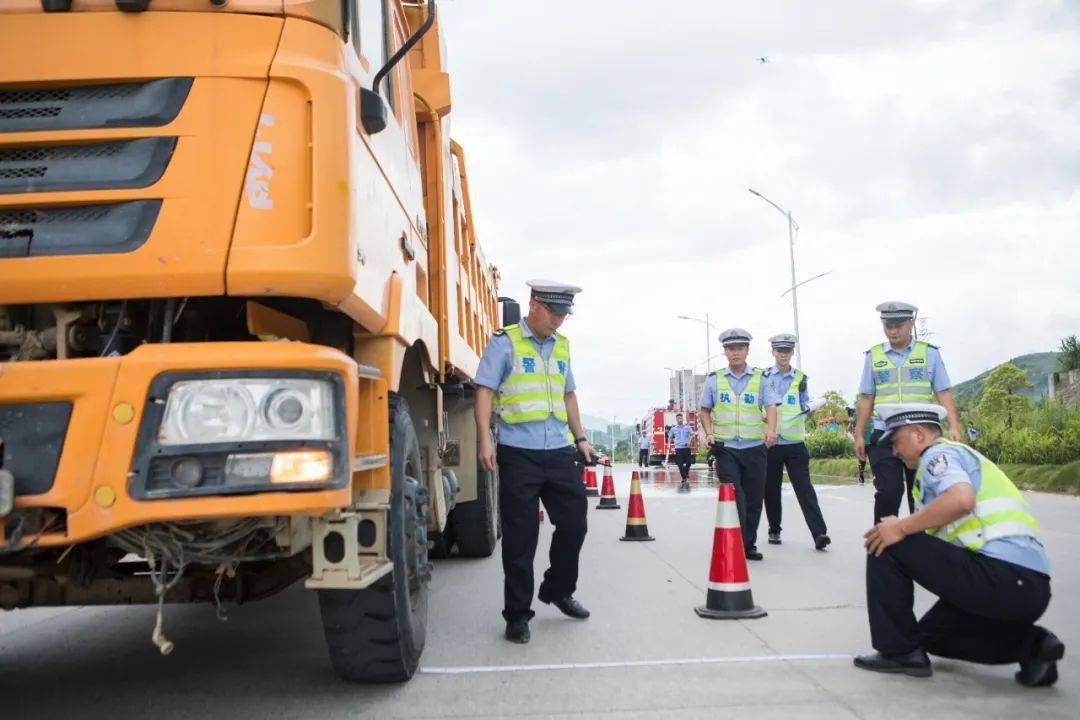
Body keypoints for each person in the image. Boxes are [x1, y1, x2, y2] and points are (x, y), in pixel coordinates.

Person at [856, 403, 1063, 687]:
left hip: (999, 576)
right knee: (931, 637)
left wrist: (900, 526)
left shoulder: (938, 455)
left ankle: (899, 652)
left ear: (918, 434)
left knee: (885, 540)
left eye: (895, 441)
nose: (894, 450)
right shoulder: (964, 458)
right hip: (1029, 590)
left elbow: (961, 500)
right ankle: (1035, 648)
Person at [474, 280, 595, 645]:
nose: (559, 320)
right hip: (518, 453)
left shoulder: (562, 346)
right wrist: (484, 439)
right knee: (520, 538)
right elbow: (484, 390)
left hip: (558, 451)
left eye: (564, 314)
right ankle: (517, 615)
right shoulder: (505, 342)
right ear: (533, 304)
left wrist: (582, 438)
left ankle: (557, 589)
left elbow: (568, 394)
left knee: (574, 523)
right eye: (554, 312)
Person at [853, 302, 962, 523]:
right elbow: (866, 398)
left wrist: (954, 427)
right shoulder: (873, 356)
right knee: (888, 493)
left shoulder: (929, 354)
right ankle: (883, 549)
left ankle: (922, 550)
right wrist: (859, 435)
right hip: (886, 436)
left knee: (922, 495)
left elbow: (943, 392)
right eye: (888, 325)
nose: (893, 331)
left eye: (898, 325)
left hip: (922, 437)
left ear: (911, 323)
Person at [699, 328, 779, 561]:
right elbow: (705, 409)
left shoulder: (760, 378)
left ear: (747, 350)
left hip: (755, 447)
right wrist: (709, 432)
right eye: (731, 349)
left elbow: (771, 406)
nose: (736, 353)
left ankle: (748, 545)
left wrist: (771, 431)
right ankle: (737, 543)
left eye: (740, 349)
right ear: (725, 351)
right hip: (726, 450)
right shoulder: (715, 380)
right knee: (736, 497)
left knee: (754, 499)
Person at [762, 333, 830, 550]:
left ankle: (819, 533)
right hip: (770, 443)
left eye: (787, 351)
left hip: (795, 444)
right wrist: (763, 416)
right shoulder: (763, 377)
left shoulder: (801, 379)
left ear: (792, 353)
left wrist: (807, 409)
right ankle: (774, 529)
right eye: (779, 351)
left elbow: (804, 405)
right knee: (771, 489)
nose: (783, 355)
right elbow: (756, 405)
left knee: (805, 489)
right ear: (773, 352)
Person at [668, 412, 694, 491]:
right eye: (678, 418)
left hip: (686, 448)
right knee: (680, 464)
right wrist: (672, 442)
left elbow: (692, 434)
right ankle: (684, 477)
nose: (680, 420)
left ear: (682, 419)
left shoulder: (687, 427)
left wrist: (689, 441)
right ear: (676, 419)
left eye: (681, 418)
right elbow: (670, 436)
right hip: (678, 448)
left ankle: (685, 474)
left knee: (689, 462)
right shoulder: (673, 428)